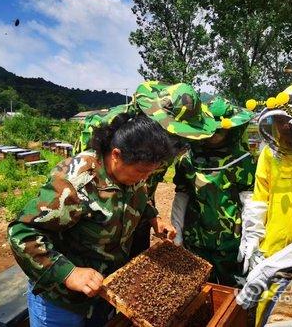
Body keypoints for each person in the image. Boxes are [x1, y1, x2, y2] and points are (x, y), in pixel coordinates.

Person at [8, 113, 178, 327]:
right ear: (116, 155)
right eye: (141, 171)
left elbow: (136, 198)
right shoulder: (75, 183)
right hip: (62, 301)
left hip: (103, 292)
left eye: (149, 173)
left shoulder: (131, 173)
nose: (144, 178)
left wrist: (155, 218)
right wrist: (68, 273)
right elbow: (22, 232)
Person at [74, 81, 217, 257]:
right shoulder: (109, 128)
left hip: (139, 206)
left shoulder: (173, 141)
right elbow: (84, 189)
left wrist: (151, 216)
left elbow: (144, 185)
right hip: (100, 216)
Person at [236, 84, 292, 326]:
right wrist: (253, 237)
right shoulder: (269, 154)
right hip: (272, 249)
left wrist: (287, 258)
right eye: (278, 122)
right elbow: (259, 197)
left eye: (289, 122)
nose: (283, 129)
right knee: (266, 310)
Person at [171, 97, 256, 286]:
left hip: (229, 241)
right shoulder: (187, 160)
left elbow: (250, 200)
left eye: (219, 131)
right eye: (210, 130)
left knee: (229, 290)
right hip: (196, 237)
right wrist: (177, 230)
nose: (214, 135)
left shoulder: (242, 160)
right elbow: (182, 195)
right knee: (198, 286)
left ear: (230, 129)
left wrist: (251, 236)